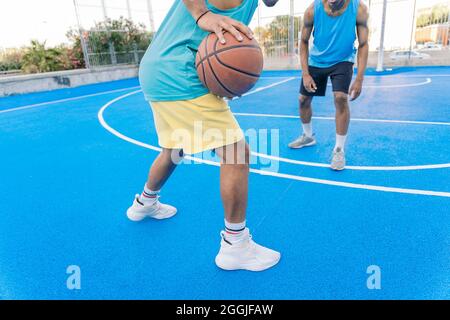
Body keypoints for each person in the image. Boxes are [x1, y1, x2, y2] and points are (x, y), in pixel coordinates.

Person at [126, 0, 281, 272]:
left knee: (174, 149)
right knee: (236, 154)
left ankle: (145, 202)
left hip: (158, 68)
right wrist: (201, 14)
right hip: (180, 71)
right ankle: (236, 246)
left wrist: (228, 78)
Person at [288, 0, 369, 171]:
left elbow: (363, 44)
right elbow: (303, 42)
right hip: (317, 61)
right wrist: (305, 73)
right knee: (303, 100)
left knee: (340, 98)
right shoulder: (312, 10)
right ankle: (308, 136)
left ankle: (339, 149)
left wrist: (359, 78)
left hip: (342, 60)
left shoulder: (359, 8)